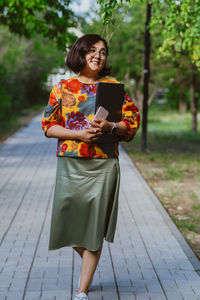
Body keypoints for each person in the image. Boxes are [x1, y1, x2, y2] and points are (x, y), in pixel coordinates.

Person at [41, 34, 140, 300]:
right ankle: (90, 260)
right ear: (80, 53)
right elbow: (49, 127)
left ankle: (82, 291)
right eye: (92, 50)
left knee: (95, 227)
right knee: (69, 223)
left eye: (103, 52)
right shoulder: (63, 88)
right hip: (71, 164)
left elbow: (131, 124)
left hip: (104, 164)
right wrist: (79, 135)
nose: (98, 55)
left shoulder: (114, 88)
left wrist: (110, 127)